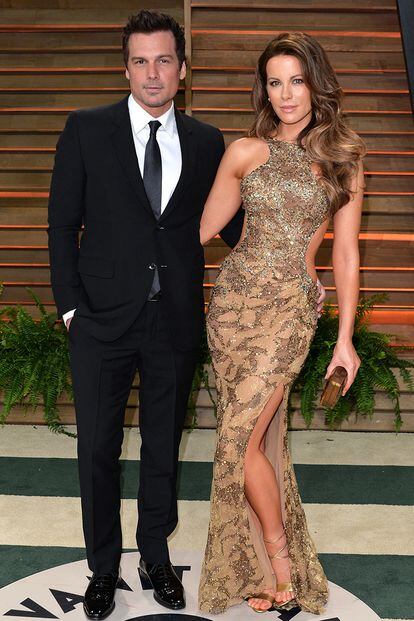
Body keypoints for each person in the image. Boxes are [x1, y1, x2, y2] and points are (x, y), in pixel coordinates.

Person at [47, 9, 230, 618]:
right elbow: (60, 225)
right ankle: (103, 567)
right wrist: (71, 308)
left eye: (164, 60)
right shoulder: (85, 129)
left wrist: (291, 250)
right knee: (97, 448)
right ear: (125, 67)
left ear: (183, 69)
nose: (153, 73)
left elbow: (230, 227)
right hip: (99, 319)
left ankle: (155, 556)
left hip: (173, 320)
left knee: (162, 447)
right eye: (141, 61)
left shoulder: (208, 142)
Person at [198, 32, 365, 615]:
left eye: (296, 80)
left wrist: (344, 338)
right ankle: (270, 565)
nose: (286, 93)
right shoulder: (244, 151)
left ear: (315, 82)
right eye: (275, 81)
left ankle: (281, 565)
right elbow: (198, 232)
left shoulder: (341, 157)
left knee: (238, 438)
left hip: (291, 310)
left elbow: (345, 253)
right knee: (246, 443)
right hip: (232, 309)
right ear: (263, 89)